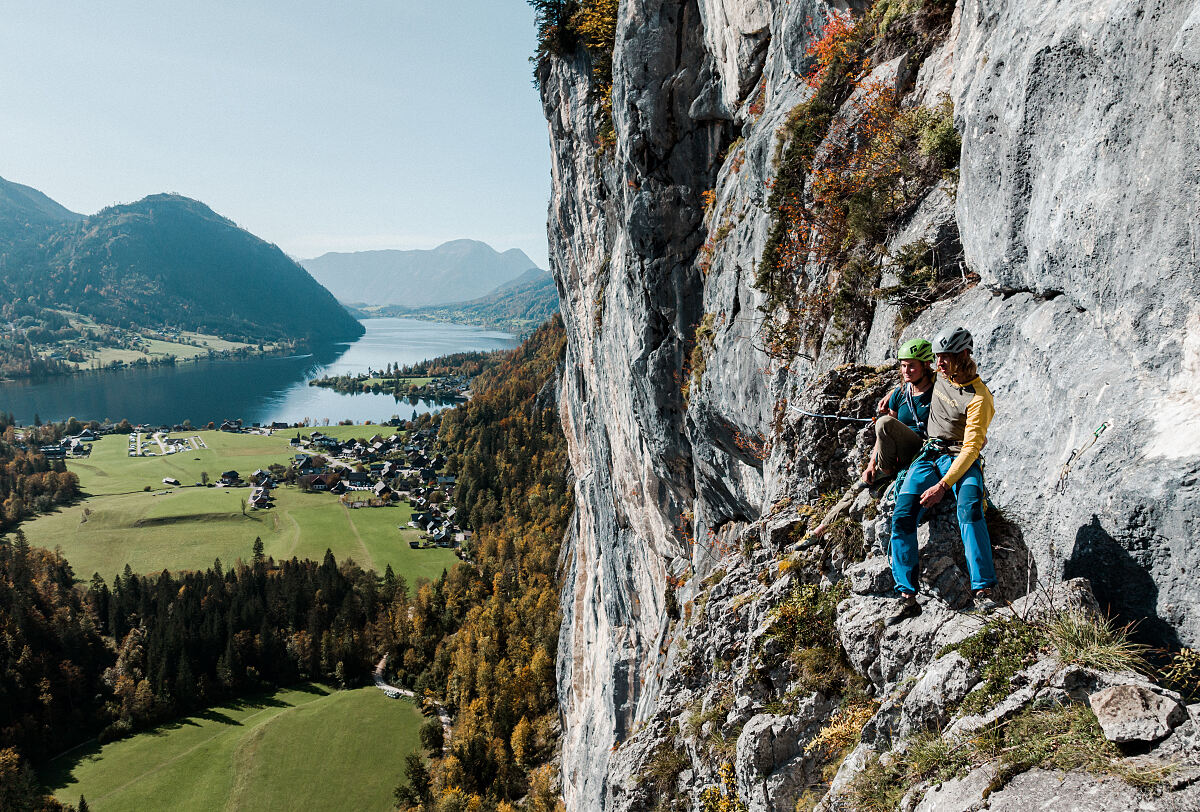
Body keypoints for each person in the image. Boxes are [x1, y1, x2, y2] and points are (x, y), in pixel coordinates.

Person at [887, 326, 997, 623]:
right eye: (936, 358)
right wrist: (891, 398)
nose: (939, 364)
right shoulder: (940, 379)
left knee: (970, 508)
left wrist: (943, 486)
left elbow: (972, 448)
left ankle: (984, 591)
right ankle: (907, 596)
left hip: (959, 457)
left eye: (945, 358)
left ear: (962, 355)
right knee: (902, 517)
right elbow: (912, 380)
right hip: (929, 454)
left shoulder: (979, 398)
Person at [807, 338, 936, 540]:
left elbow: (886, 426)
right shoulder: (901, 394)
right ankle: (820, 529)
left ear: (926, 365)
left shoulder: (938, 391)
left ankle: (886, 470)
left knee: (884, 422)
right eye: (903, 366)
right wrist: (870, 464)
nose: (906, 371)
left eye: (912, 366)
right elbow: (882, 437)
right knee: (858, 486)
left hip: (921, 449)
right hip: (896, 454)